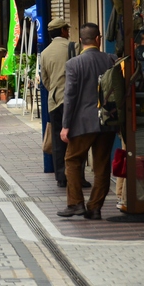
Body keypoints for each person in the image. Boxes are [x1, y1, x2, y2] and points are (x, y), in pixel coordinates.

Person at [57, 23, 116, 220]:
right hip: (107, 121)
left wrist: (65, 125)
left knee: (72, 160)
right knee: (102, 165)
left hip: (82, 122)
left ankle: (75, 203)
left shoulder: (74, 64)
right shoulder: (110, 60)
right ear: (98, 39)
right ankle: (95, 207)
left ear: (81, 41)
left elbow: (70, 96)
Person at [41, 19, 91, 189]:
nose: (68, 32)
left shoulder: (45, 52)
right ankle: (78, 177)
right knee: (77, 140)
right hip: (75, 101)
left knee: (58, 140)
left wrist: (55, 91)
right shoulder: (74, 47)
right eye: (66, 29)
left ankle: (61, 177)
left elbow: (45, 79)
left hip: (55, 102)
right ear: (62, 31)